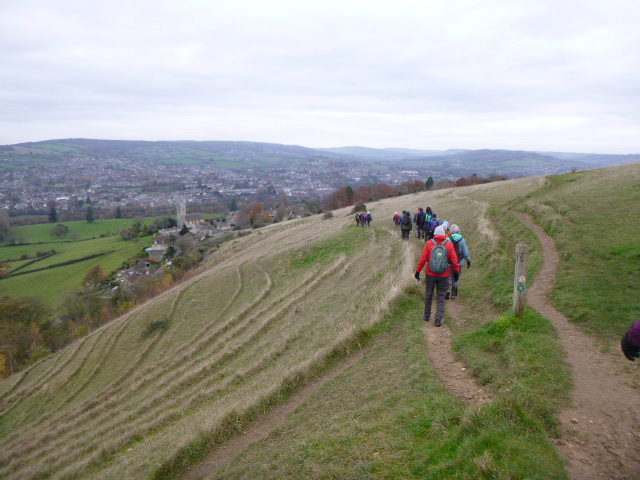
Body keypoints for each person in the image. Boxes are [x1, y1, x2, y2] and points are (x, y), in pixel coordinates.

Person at [414, 225, 460, 326]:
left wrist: (417, 271)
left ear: (434, 234)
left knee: (429, 294)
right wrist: (456, 272)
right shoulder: (448, 244)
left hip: (430, 273)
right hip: (444, 274)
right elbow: (454, 260)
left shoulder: (429, 243)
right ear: (444, 234)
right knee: (441, 297)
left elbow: (422, 259)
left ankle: (426, 316)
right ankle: (438, 320)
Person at [448, 224, 471, 298]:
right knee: (456, 276)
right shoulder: (462, 240)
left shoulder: (447, 239)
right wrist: (468, 260)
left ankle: (447, 290)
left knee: (449, 276)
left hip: (449, 262)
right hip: (459, 262)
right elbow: (465, 252)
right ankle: (454, 294)